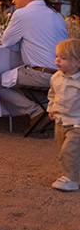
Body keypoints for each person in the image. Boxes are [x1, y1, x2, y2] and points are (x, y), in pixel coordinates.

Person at [0, 0, 68, 123]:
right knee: (17, 77)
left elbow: (6, 41)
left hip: (41, 74)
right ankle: (47, 110)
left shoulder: (22, 13)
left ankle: (35, 111)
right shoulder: (56, 14)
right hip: (63, 74)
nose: (13, 0)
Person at [48, 39, 80, 191]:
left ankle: (70, 179)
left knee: (70, 150)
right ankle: (74, 172)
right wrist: (51, 108)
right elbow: (52, 94)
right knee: (62, 149)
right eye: (57, 56)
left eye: (63, 58)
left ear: (77, 62)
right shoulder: (55, 77)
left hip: (77, 123)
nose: (57, 61)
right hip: (60, 120)